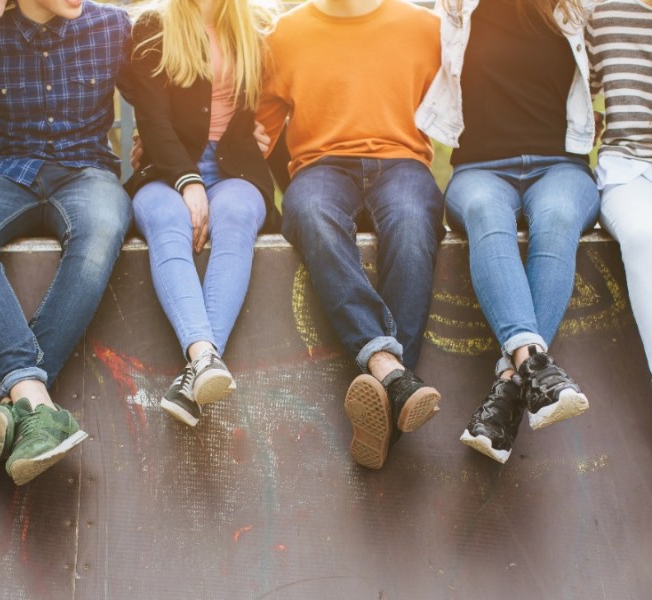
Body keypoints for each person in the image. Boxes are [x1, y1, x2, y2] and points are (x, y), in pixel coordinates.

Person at [0, 0, 133, 485]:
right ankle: (38, 404)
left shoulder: (112, 25)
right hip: (7, 170)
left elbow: (170, 75)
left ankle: (16, 405)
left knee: (101, 229)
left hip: (86, 170)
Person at [257, 0, 444, 470]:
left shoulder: (426, 28)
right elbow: (255, 127)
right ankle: (392, 373)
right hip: (321, 167)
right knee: (310, 214)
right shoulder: (283, 34)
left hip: (402, 162)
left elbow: (466, 99)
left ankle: (384, 396)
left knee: (412, 223)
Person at [416, 0, 599, 463]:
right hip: (480, 170)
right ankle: (534, 368)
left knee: (557, 219)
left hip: (561, 167)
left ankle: (510, 384)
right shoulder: (457, 9)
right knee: (483, 212)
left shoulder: (574, 9)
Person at [126, 0, 277, 427]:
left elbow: (291, 92)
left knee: (236, 217)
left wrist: (267, 133)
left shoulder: (258, 24)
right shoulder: (153, 26)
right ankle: (203, 359)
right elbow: (152, 122)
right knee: (166, 219)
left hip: (235, 170)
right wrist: (188, 182)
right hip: (167, 165)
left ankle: (199, 370)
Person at [587, 0, 652, 381]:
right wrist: (585, 119)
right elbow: (576, 88)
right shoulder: (605, 15)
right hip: (627, 168)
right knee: (644, 238)